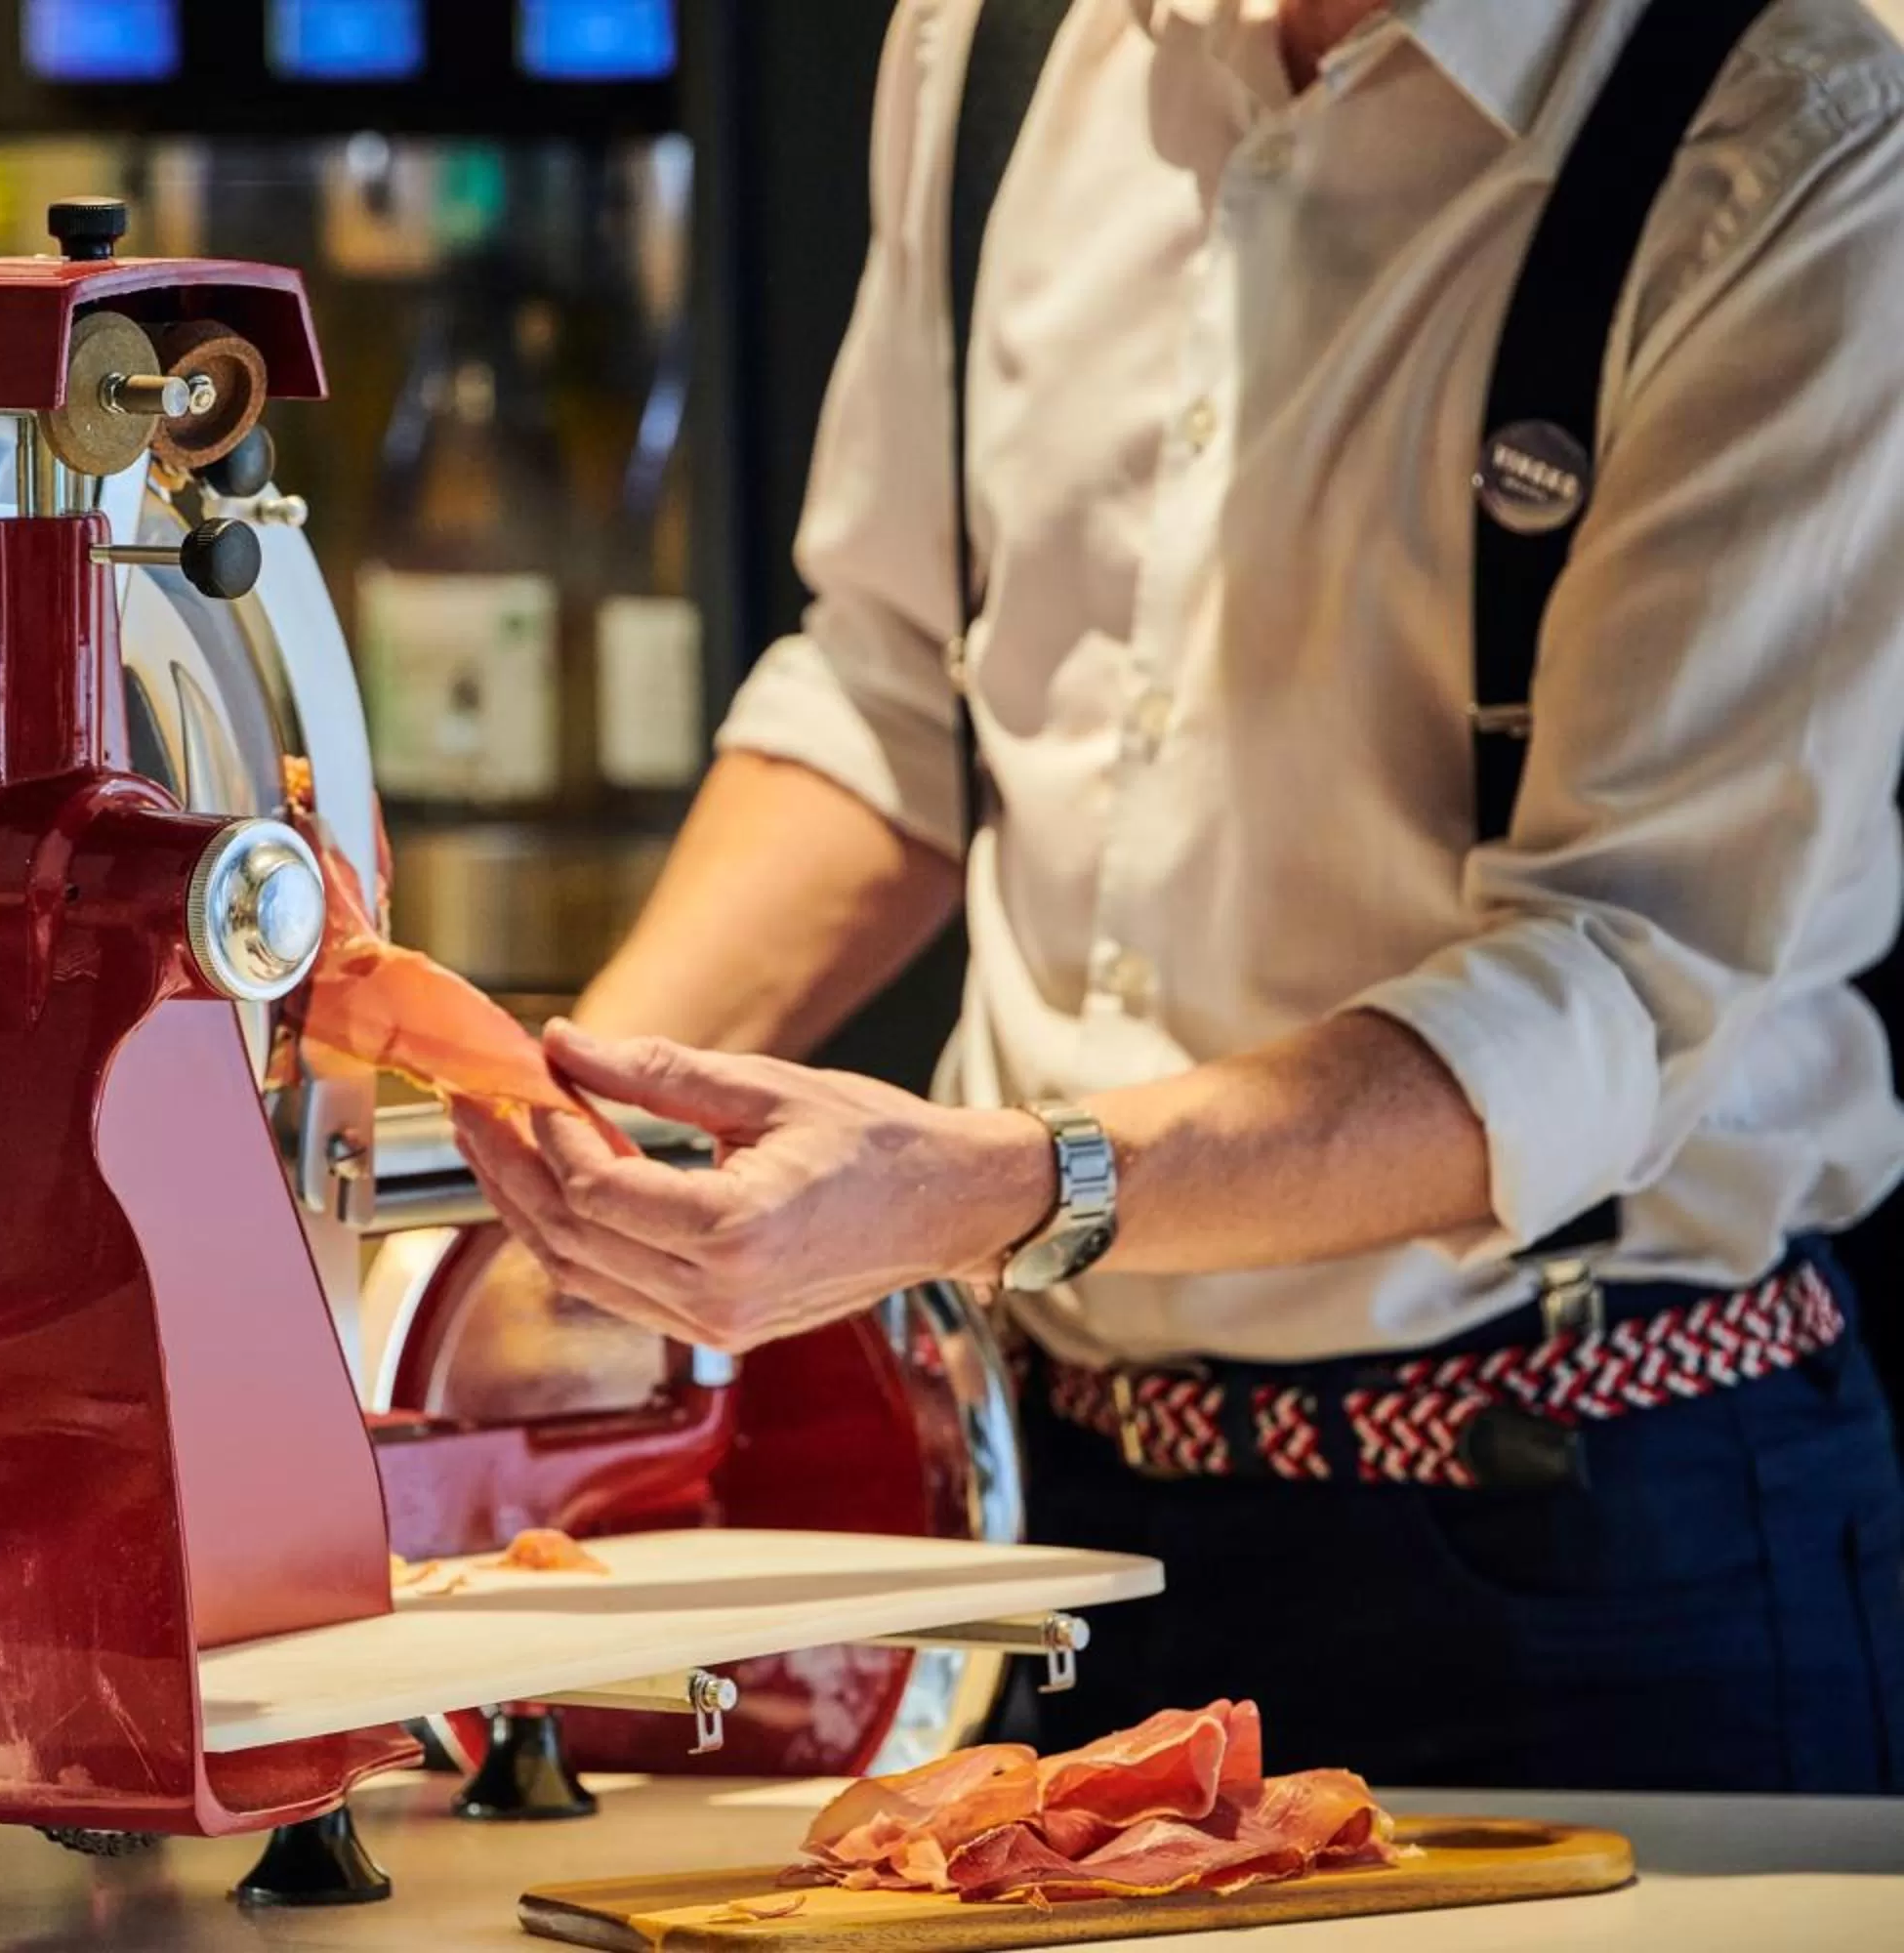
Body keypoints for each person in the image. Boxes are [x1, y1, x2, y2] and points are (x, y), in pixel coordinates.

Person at [453, 0, 1904, 1793]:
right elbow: (898, 696)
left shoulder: (1790, 127)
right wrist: (530, 1158)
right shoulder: (993, 40)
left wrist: (998, 1189)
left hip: (1585, 1536)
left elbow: (1615, 971)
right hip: (1049, 1513)